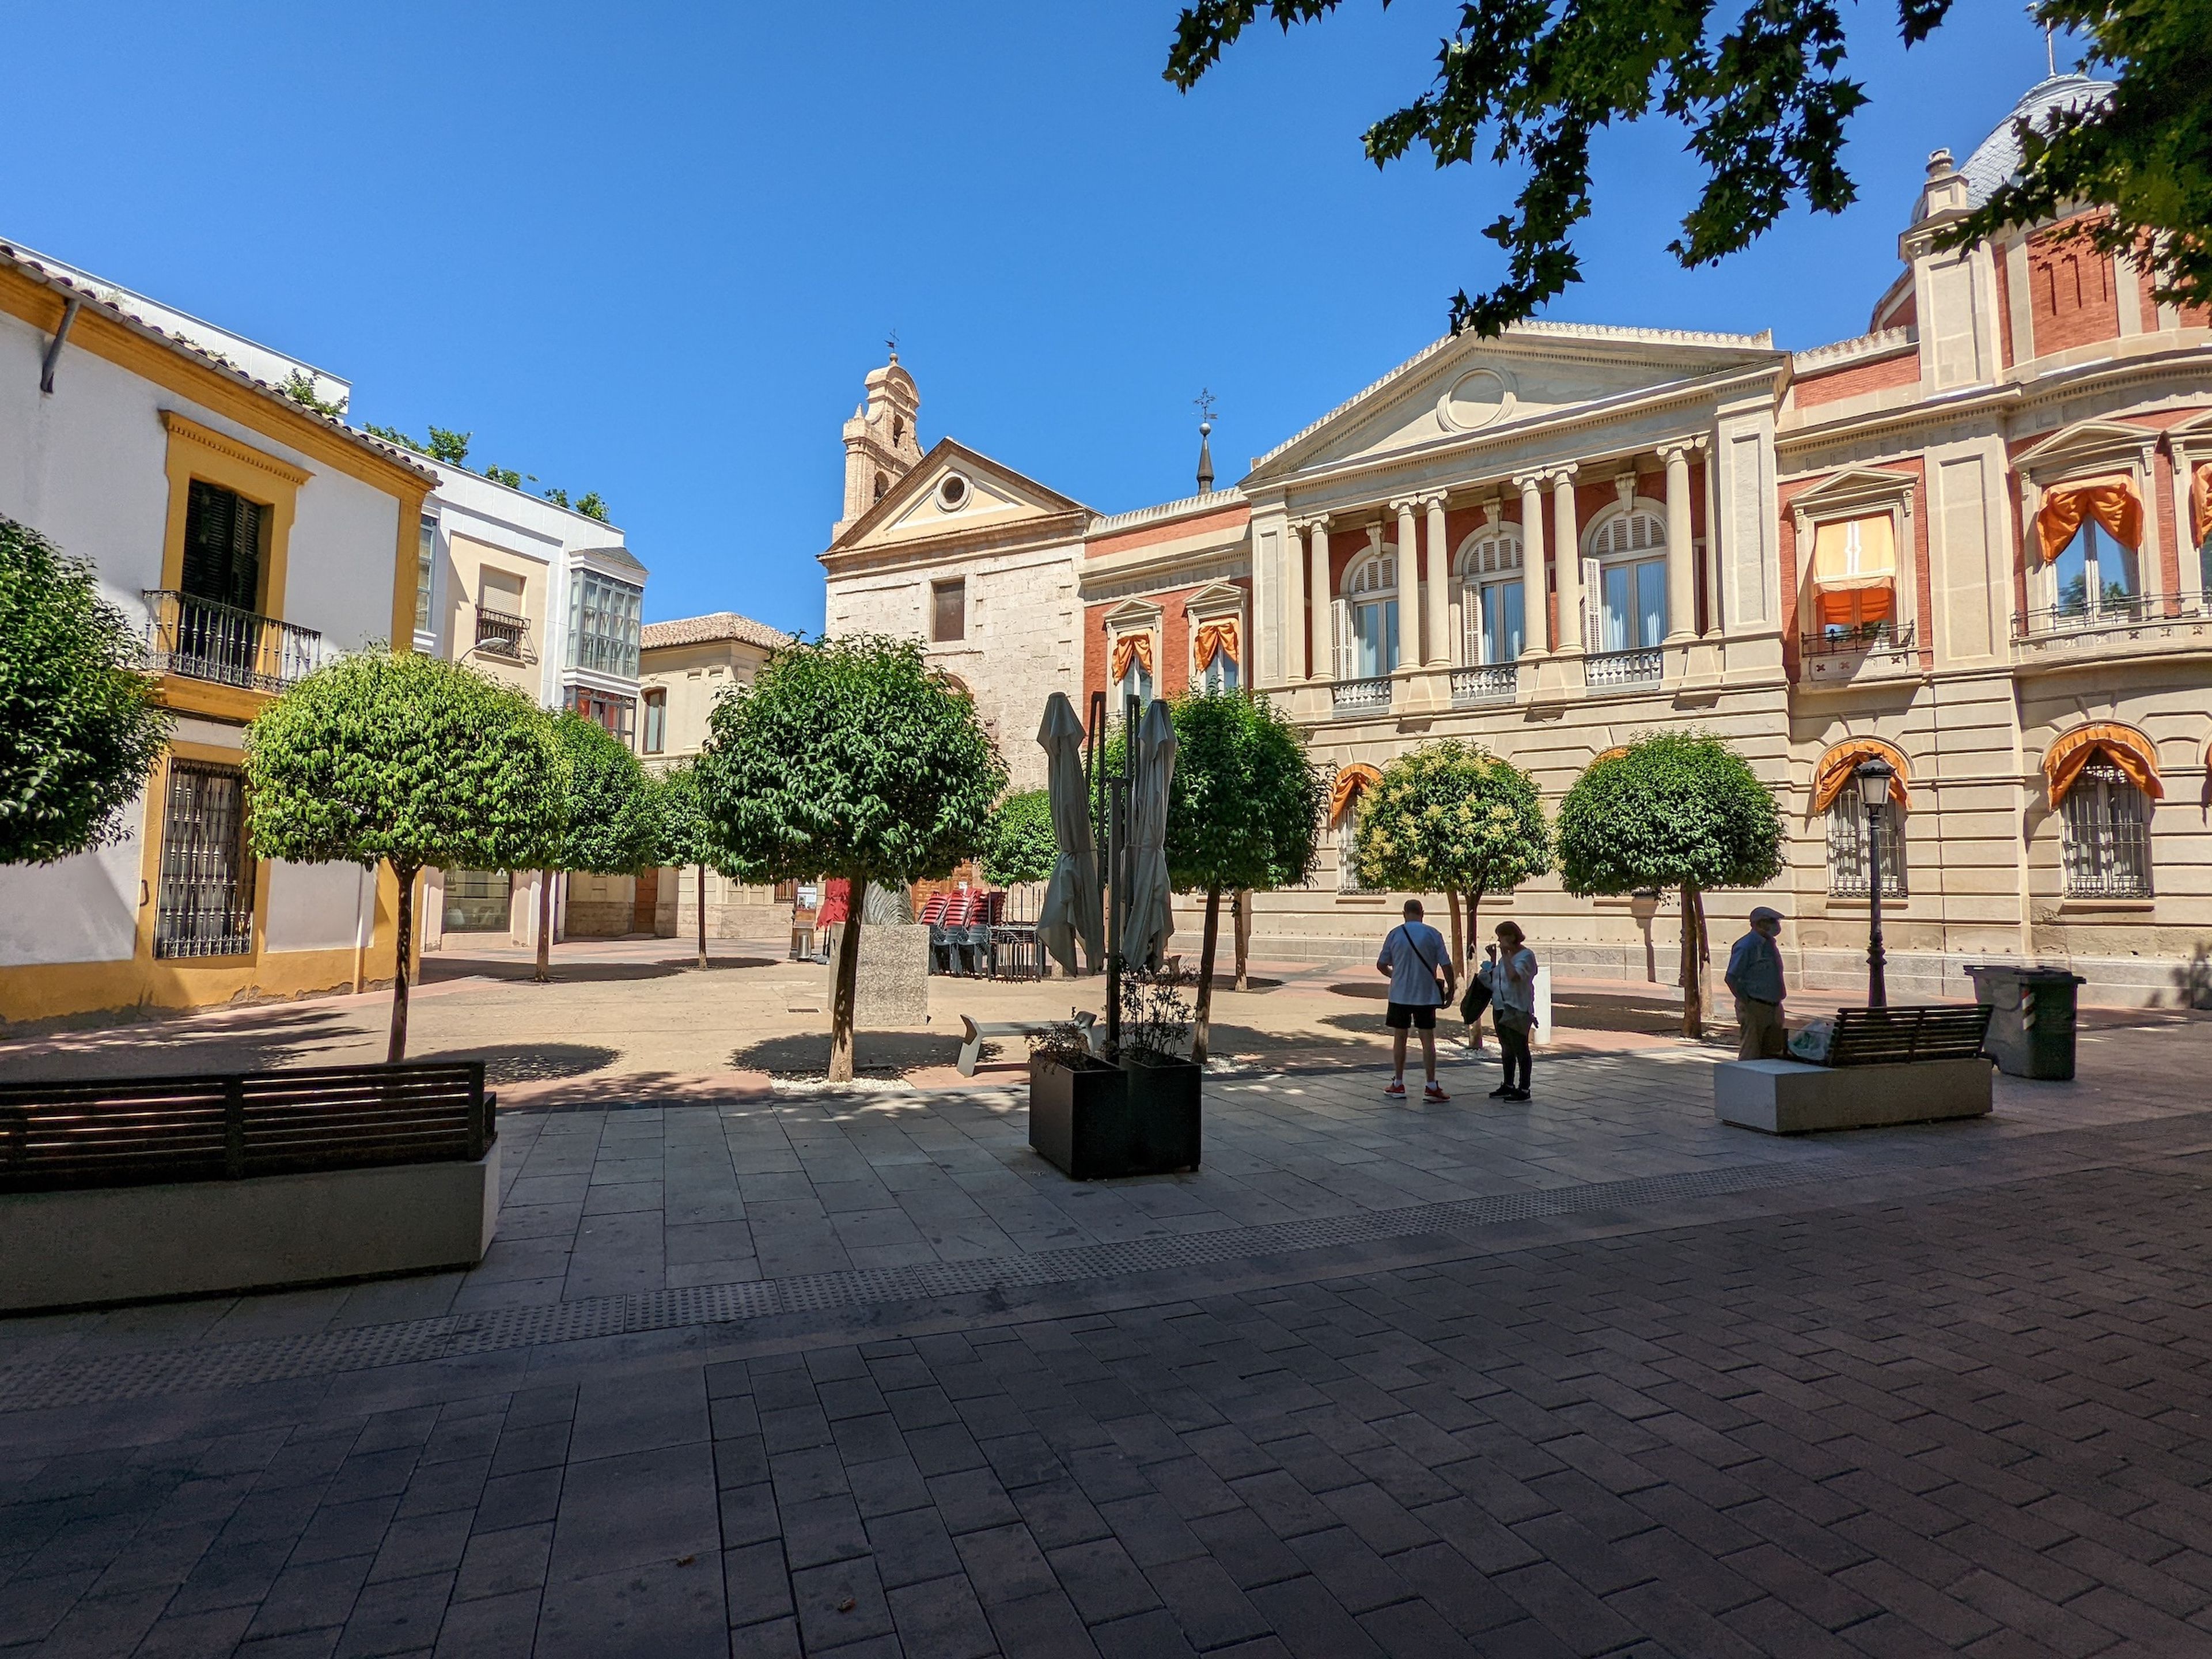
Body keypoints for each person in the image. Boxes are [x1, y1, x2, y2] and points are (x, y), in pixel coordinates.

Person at [1376, 899, 1456, 1102]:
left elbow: (1382, 964)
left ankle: (1398, 1083)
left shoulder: (1395, 934)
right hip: (1426, 994)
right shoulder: (1433, 934)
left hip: (1400, 994)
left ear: (1404, 914)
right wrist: (1451, 989)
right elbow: (1446, 964)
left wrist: (1395, 975)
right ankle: (1431, 1085)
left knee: (1400, 1037)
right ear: (1423, 913)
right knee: (1428, 1039)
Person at [1481, 921, 1539, 1101]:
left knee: (1520, 1048)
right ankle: (1508, 1084)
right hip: (1500, 1007)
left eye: (1502, 938)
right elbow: (1498, 977)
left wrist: (1505, 955)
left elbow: (1514, 977)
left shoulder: (1526, 956)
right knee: (1506, 1047)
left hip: (1517, 1008)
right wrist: (1493, 960)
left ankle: (1524, 1088)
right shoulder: (1504, 959)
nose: (1499, 942)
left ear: (1512, 937)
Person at [1725, 905, 1789, 1059]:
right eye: (1772, 921)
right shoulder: (1747, 945)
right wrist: (1747, 1000)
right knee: (1751, 1054)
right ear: (1760, 923)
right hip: (1755, 1006)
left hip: (1774, 1006)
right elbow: (1732, 977)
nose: (1776, 925)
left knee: (1774, 1054)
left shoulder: (1770, 944)